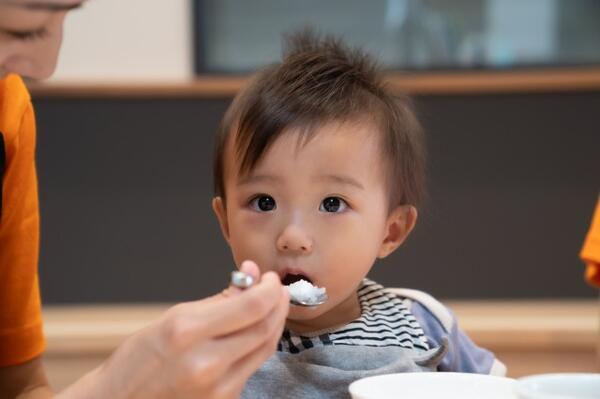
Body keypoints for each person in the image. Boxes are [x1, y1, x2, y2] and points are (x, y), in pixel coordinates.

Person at [0, 1, 289, 398]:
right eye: (21, 30)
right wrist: (109, 388)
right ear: (222, 217)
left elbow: (20, 386)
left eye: (64, 18)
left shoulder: (8, 115)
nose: (45, 65)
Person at [211, 31, 507, 398]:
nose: (293, 237)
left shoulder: (423, 324)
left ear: (391, 232)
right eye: (264, 202)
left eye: (332, 204)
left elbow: (500, 391)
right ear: (225, 222)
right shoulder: (219, 342)